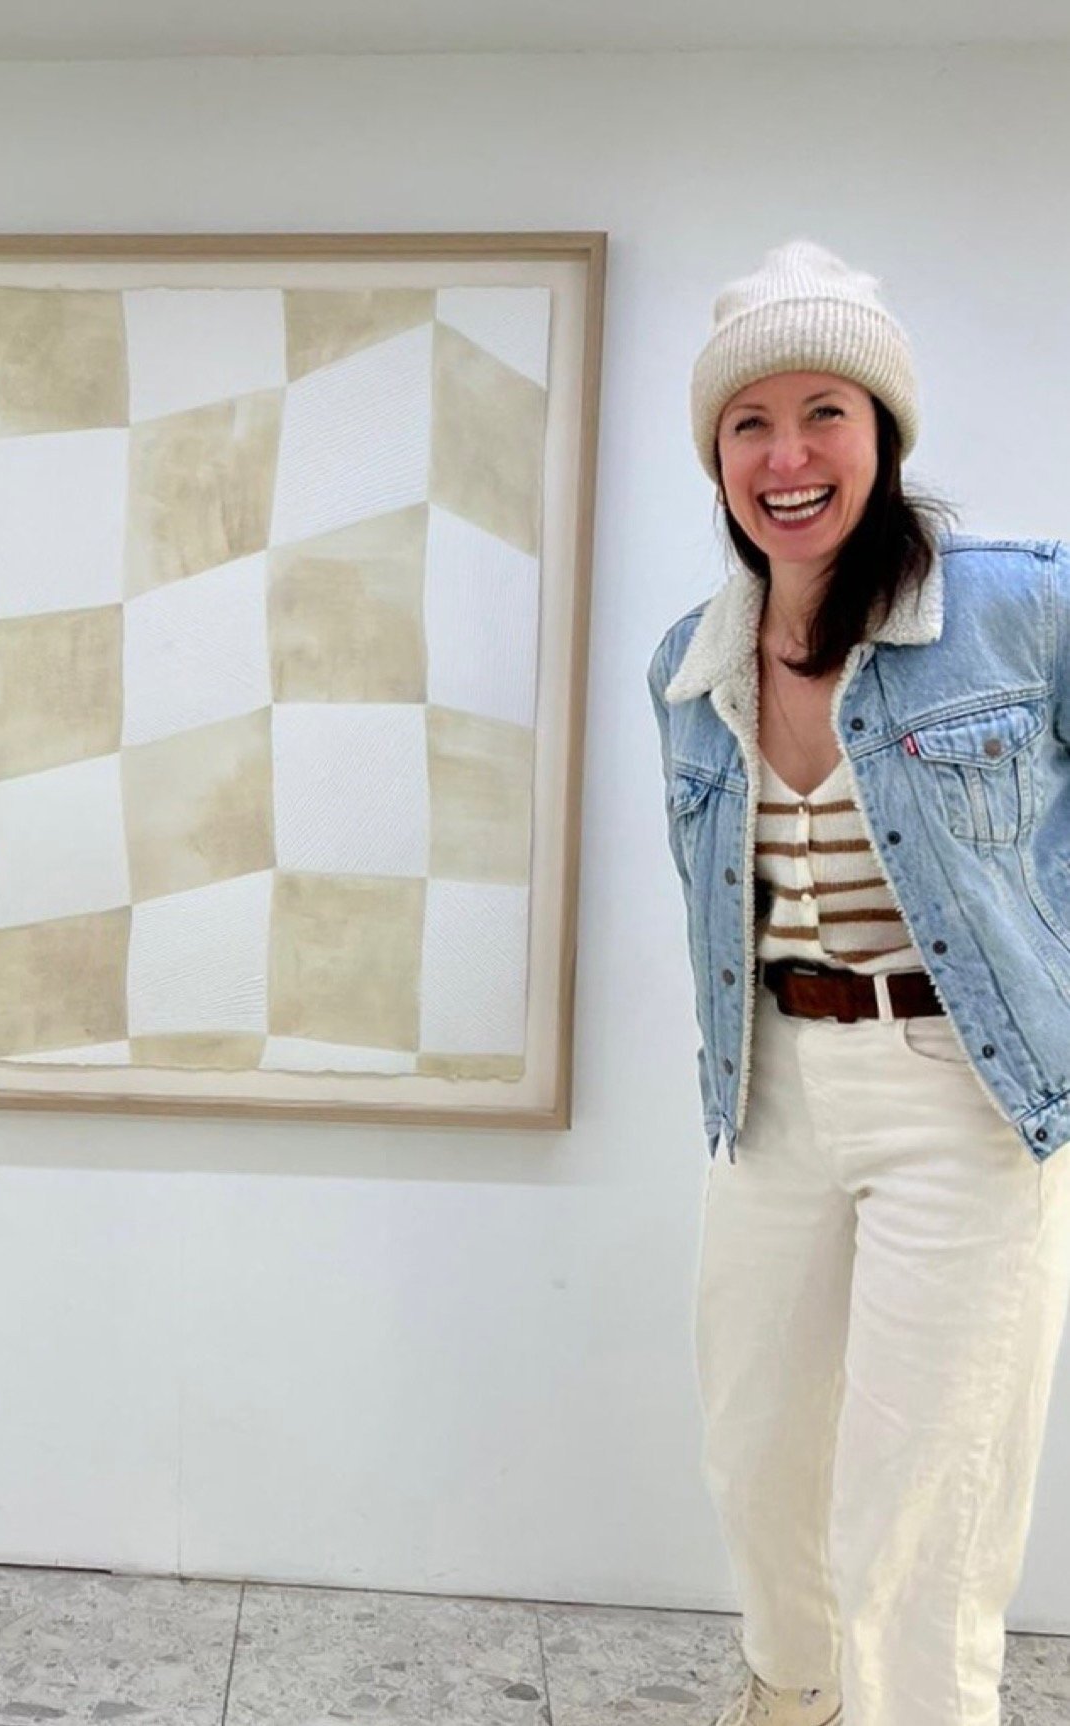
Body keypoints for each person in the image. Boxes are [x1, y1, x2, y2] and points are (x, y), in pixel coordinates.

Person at [647, 238, 1070, 1726]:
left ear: (884, 435)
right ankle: (796, 1694)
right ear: (718, 458)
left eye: (825, 410)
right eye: (750, 424)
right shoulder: (689, 666)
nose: (789, 454)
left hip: (960, 1090)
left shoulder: (1019, 608)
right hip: (774, 1091)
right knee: (759, 1454)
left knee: (921, 1502)